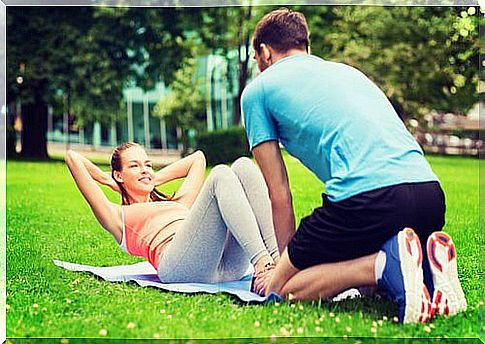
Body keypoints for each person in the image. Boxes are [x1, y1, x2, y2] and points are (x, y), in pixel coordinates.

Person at [241, 8, 467, 323]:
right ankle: (426, 275)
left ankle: (380, 265)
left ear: (264, 53)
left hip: (368, 201)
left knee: (284, 290)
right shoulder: (349, 73)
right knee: (359, 281)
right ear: (307, 45)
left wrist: (280, 272)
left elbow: (279, 193)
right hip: (429, 198)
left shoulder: (257, 92)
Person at [65, 143, 279, 294]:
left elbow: (198, 159)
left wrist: (150, 179)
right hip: (180, 268)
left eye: (148, 164)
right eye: (134, 165)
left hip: (226, 266)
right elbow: (72, 158)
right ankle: (263, 263)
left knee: (243, 165)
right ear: (119, 175)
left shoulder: (179, 203)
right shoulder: (117, 216)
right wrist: (108, 179)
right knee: (220, 173)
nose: (145, 169)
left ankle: (277, 263)